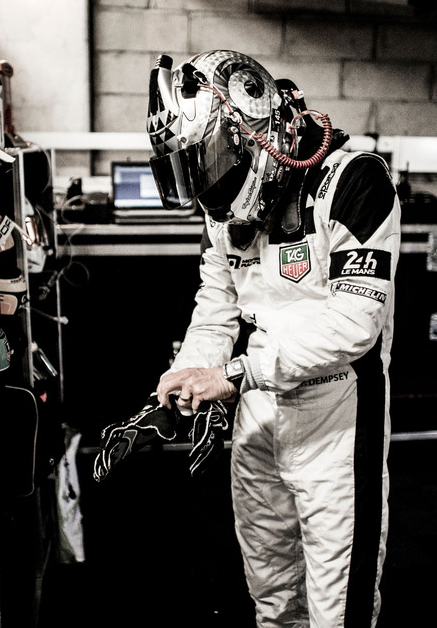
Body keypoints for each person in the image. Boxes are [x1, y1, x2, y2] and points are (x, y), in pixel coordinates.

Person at [147, 50, 401, 627]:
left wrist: (232, 374)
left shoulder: (354, 179)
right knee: (272, 592)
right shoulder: (221, 209)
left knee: (338, 605)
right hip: (258, 413)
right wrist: (190, 369)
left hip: (338, 417)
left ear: (249, 129)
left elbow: (354, 324)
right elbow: (217, 304)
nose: (204, 183)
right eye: (190, 168)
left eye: (207, 161)